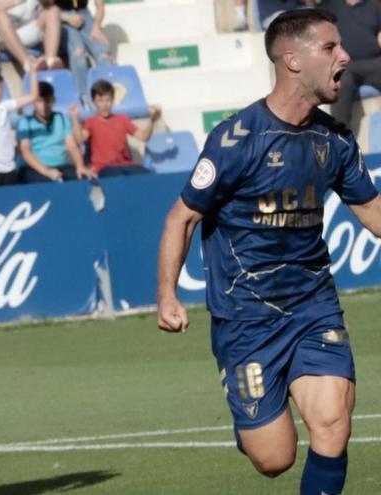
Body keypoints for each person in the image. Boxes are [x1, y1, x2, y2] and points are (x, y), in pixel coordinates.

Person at [156, 10, 381, 495]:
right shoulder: (236, 140)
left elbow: (375, 214)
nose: (344, 56)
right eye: (330, 48)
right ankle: (253, 424)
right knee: (274, 459)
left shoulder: (335, 140)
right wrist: (166, 295)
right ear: (292, 60)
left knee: (333, 423)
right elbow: (182, 217)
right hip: (245, 318)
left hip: (313, 306)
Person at [71, 79, 159, 177]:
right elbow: (79, 140)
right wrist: (75, 117)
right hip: (103, 168)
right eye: (100, 101)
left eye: (108, 100)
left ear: (113, 100)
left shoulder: (122, 119)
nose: (105, 105)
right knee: (118, 178)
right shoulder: (90, 122)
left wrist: (152, 120)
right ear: (94, 102)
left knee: (149, 176)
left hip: (126, 165)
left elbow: (143, 137)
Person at [17, 81, 92, 182]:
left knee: (84, 178)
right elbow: (25, 151)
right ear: (33, 103)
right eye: (39, 101)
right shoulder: (26, 122)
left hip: (61, 166)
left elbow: (72, 146)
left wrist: (80, 166)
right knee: (41, 181)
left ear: (53, 101)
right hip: (35, 168)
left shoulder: (61, 118)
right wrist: (46, 171)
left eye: (47, 101)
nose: (44, 105)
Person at [323, 0, 381, 127]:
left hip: (374, 62)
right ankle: (341, 140)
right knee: (341, 84)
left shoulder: (374, 6)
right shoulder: (331, 5)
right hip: (344, 64)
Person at [57, 0, 113, 103]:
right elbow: (44, 11)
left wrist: (96, 27)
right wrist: (66, 17)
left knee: (104, 55)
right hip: (61, 15)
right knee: (79, 56)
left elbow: (100, 5)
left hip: (84, 14)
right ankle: (84, 98)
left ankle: (109, 97)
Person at [0, 0, 63, 71]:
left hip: (23, 31)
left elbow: (48, 3)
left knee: (53, 11)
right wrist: (15, 1)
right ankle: (28, 64)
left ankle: (50, 61)